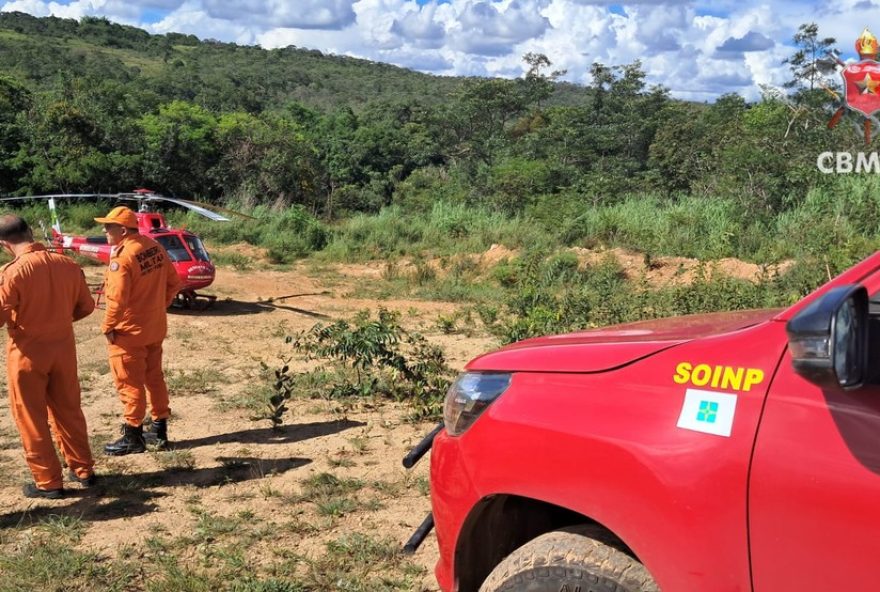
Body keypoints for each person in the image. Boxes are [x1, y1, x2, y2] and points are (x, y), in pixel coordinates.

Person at [0, 215, 97, 498]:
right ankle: (83, 470)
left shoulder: (12, 272)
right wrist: (59, 320)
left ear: (5, 245)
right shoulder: (67, 264)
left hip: (28, 353)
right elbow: (86, 307)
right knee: (69, 410)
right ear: (31, 233)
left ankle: (48, 482)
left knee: (31, 417)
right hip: (63, 350)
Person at [96, 206, 181, 455]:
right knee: (154, 378)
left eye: (108, 226)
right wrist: (158, 307)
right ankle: (159, 429)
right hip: (154, 328)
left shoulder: (122, 258)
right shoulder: (153, 246)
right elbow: (174, 282)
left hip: (129, 333)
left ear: (122, 230)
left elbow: (116, 300)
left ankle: (133, 436)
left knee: (129, 383)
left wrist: (108, 326)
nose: (104, 230)